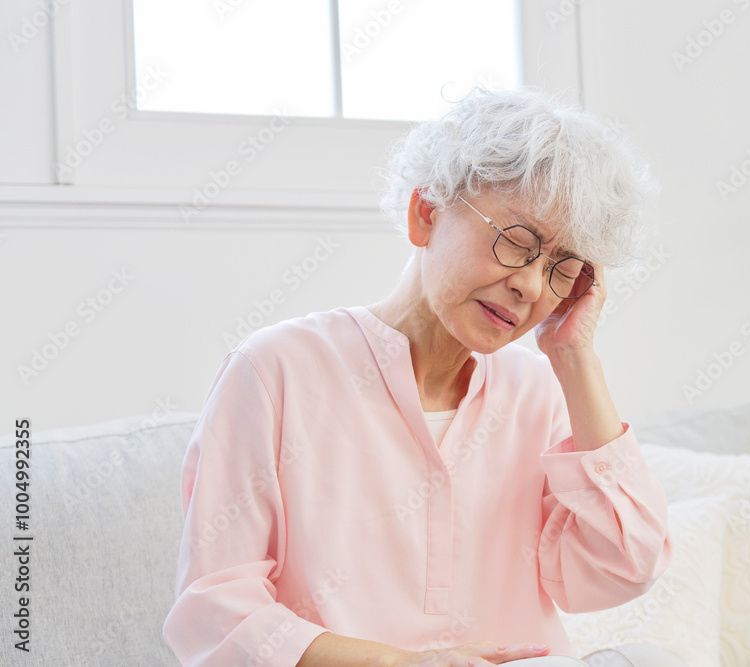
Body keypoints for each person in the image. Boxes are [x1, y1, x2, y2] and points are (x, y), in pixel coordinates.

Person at [162, 86, 688, 667]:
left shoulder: (537, 391)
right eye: (518, 242)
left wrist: (575, 358)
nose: (531, 286)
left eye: (563, 269)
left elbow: (626, 568)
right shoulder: (274, 371)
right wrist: (401, 663)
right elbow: (216, 613)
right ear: (427, 212)